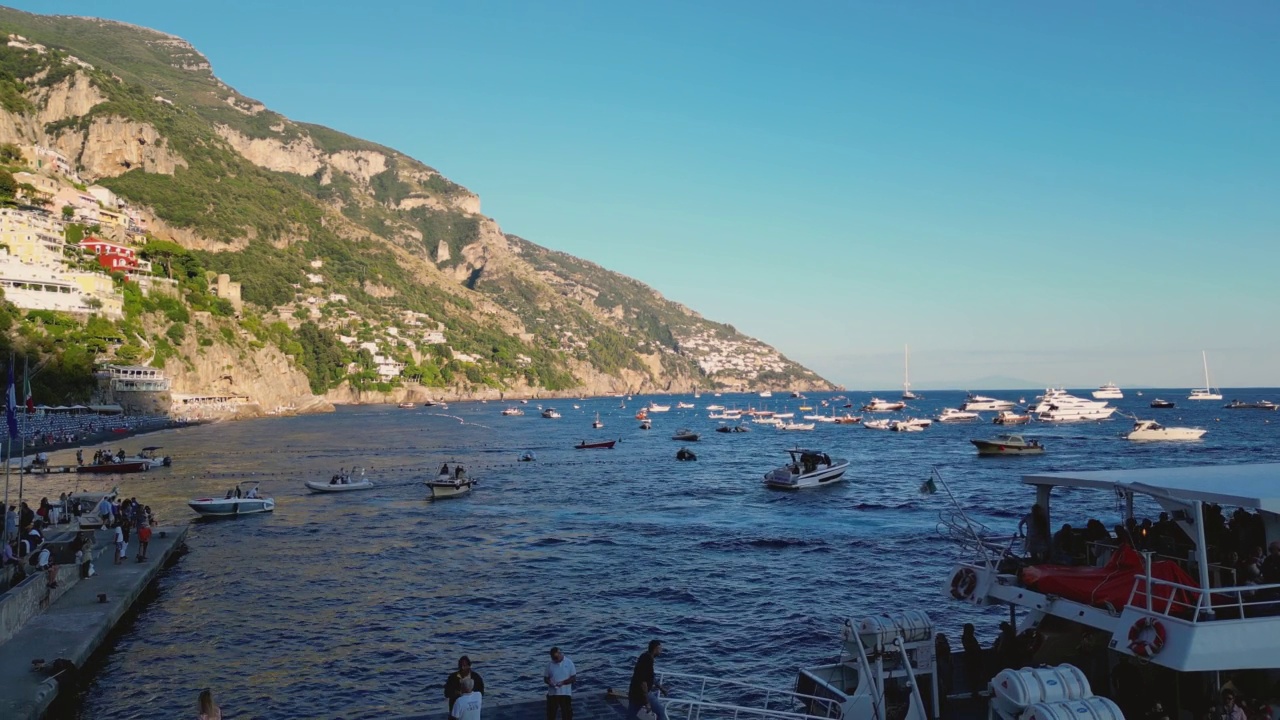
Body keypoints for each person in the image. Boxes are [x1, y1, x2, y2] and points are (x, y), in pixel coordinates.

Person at [628, 640, 668, 720]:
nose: (661, 651)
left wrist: (660, 687)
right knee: (661, 712)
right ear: (656, 649)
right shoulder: (648, 660)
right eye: (660, 649)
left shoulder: (644, 655)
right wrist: (646, 702)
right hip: (641, 694)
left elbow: (650, 676)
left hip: (634, 692)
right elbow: (643, 682)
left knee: (630, 717)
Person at [545, 646, 577, 720]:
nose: (555, 660)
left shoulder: (569, 663)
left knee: (566, 713)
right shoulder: (549, 664)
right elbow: (545, 678)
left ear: (560, 654)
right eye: (554, 659)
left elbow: (573, 678)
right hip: (553, 693)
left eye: (557, 658)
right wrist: (550, 682)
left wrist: (563, 682)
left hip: (565, 693)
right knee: (551, 713)